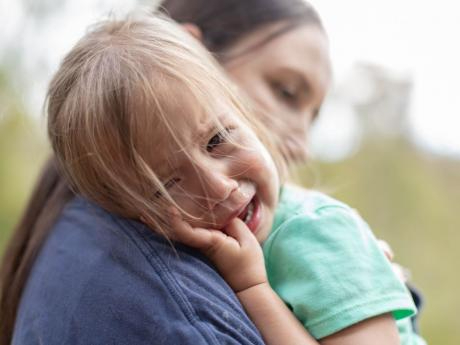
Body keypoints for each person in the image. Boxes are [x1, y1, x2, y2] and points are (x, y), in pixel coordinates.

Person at [0, 1, 423, 344]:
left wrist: (254, 290)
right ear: (136, 212)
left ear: (239, 109)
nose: (219, 187)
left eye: (218, 139)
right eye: (167, 185)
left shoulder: (315, 233)